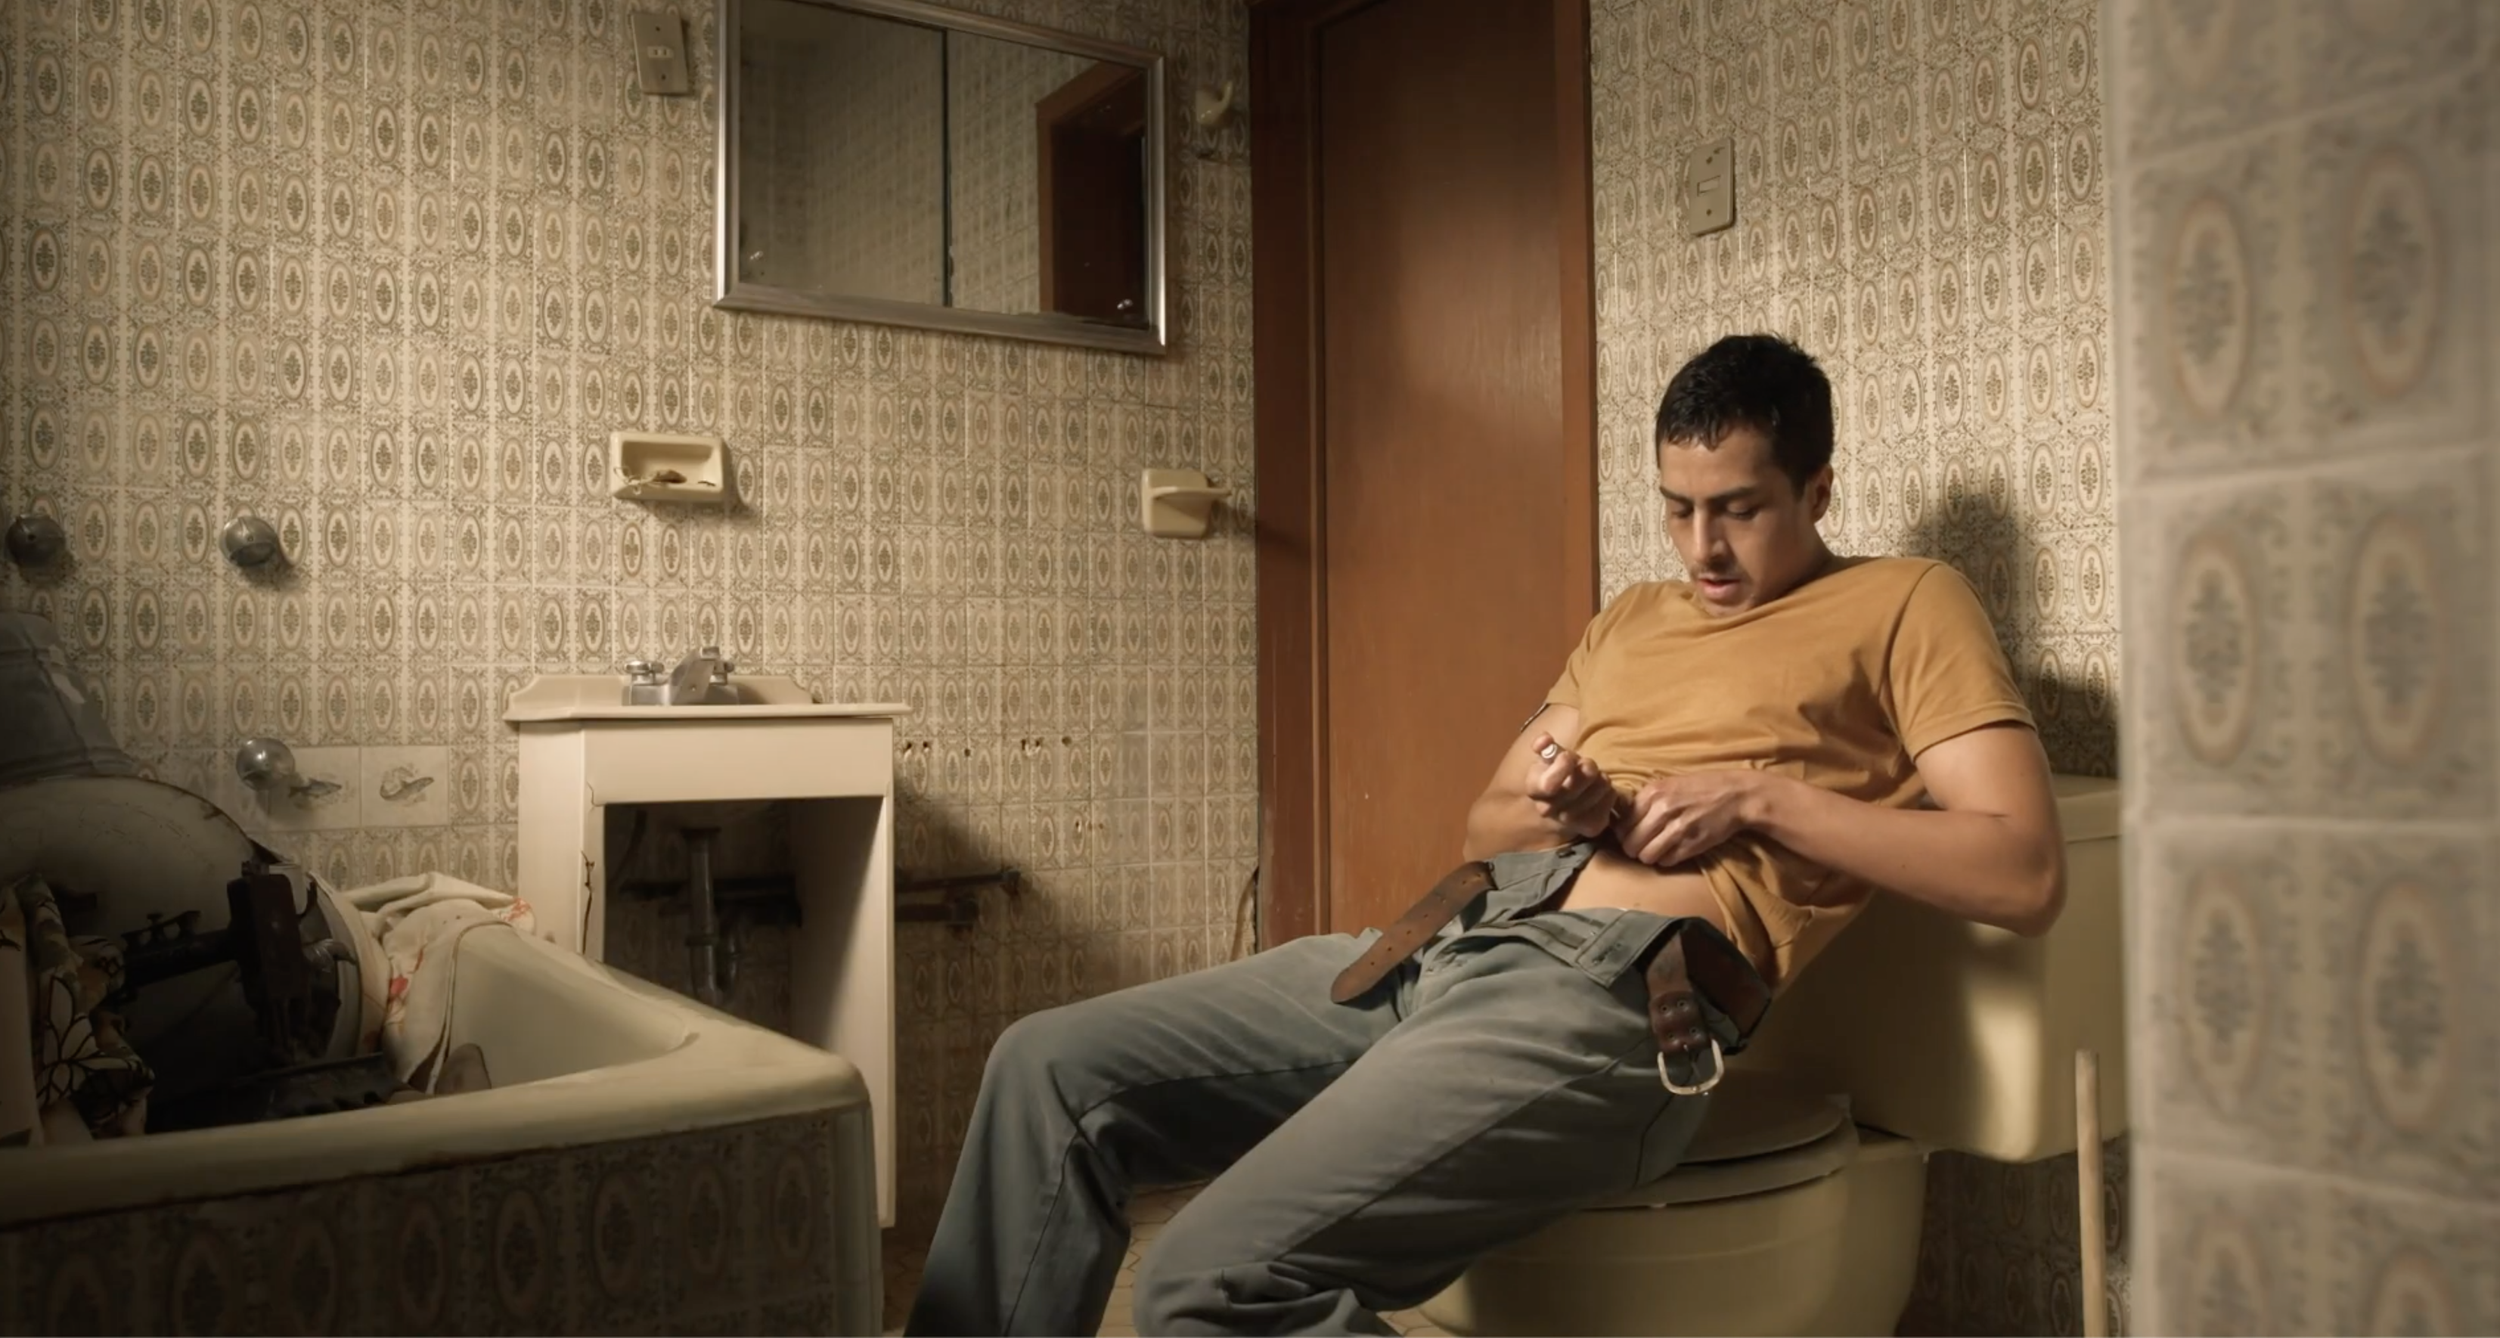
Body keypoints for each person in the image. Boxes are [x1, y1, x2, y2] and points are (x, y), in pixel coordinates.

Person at [906, 334, 2066, 1337]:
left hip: (1614, 999)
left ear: (1817, 489)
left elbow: (2022, 872)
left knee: (1209, 1281)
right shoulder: (1631, 619)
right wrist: (1571, 806)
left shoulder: (1905, 603)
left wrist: (1759, 800)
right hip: (1443, 946)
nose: (1701, 549)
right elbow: (1492, 820)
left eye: (1738, 509)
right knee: (1046, 1071)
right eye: (1677, 508)